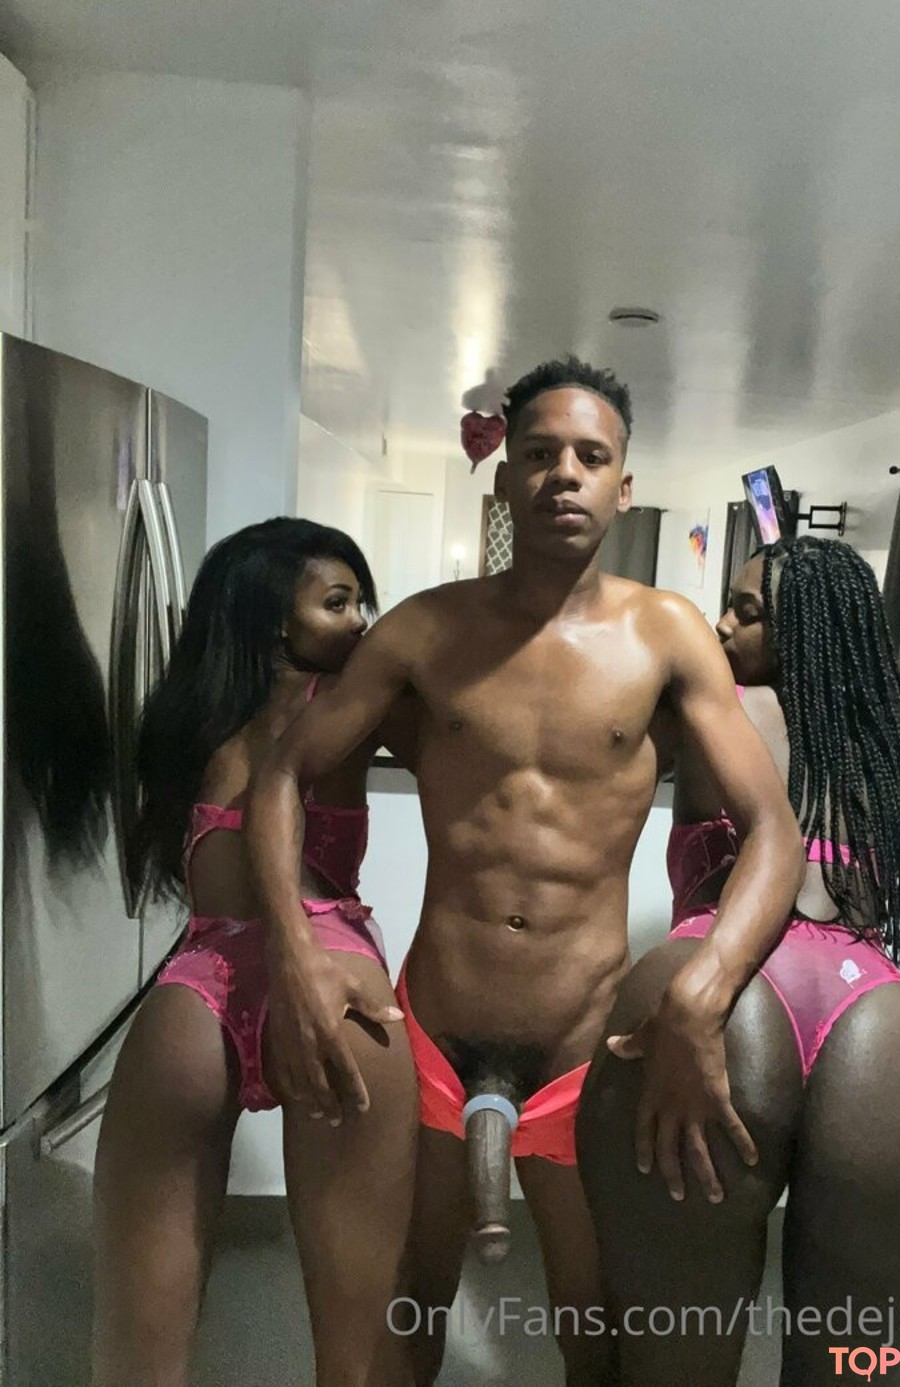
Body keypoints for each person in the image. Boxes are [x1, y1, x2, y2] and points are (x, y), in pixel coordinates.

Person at [245, 358, 805, 1386]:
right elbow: (283, 774)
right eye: (540, 453)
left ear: (624, 486)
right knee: (412, 1298)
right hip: (433, 1029)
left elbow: (776, 829)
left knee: (590, 1321)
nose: (564, 474)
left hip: (585, 1045)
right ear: (505, 478)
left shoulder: (667, 634)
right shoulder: (423, 629)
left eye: (591, 456)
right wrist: (293, 951)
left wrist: (705, 988)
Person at [576, 537, 900, 1386]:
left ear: (806, 626)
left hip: (726, 985)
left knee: (671, 1363)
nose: (722, 626)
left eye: (747, 612)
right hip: (876, 1016)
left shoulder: (716, 707)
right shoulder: (884, 740)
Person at [92, 518, 417, 1387]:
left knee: (133, 1363)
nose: (362, 622)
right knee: (356, 1363)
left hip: (196, 988)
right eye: (339, 602)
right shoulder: (351, 706)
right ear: (276, 618)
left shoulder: (191, 723)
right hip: (334, 979)